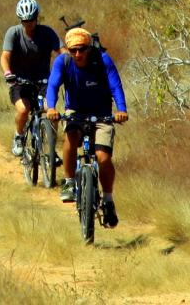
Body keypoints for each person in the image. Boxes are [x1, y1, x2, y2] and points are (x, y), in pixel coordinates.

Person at [44, 27, 129, 227]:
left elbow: (116, 86)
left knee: (103, 157)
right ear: (68, 50)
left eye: (82, 49)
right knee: (71, 137)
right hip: (75, 110)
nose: (78, 54)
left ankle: (108, 200)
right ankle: (69, 181)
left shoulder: (103, 59)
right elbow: (53, 86)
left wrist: (121, 110)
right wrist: (51, 109)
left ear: (89, 48)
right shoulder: (62, 62)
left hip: (102, 113)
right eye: (73, 50)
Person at [0, 0, 61, 157]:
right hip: (19, 82)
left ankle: (51, 149)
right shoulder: (13, 33)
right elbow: (5, 56)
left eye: (32, 19)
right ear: (20, 19)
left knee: (52, 112)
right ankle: (19, 136)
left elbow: (62, 52)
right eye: (25, 20)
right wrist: (8, 73)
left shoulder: (47, 32)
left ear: (37, 17)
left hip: (44, 81)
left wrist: (70, 67)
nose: (29, 23)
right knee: (23, 109)